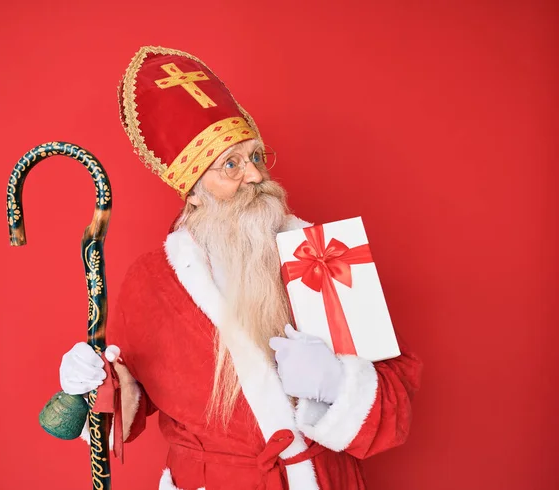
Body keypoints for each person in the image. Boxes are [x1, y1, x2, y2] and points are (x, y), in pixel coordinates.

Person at [59, 45, 423, 490]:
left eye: (255, 157)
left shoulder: (325, 256)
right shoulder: (151, 282)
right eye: (230, 165)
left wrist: (336, 382)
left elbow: (395, 404)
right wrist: (90, 384)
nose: (254, 176)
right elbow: (125, 408)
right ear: (193, 192)